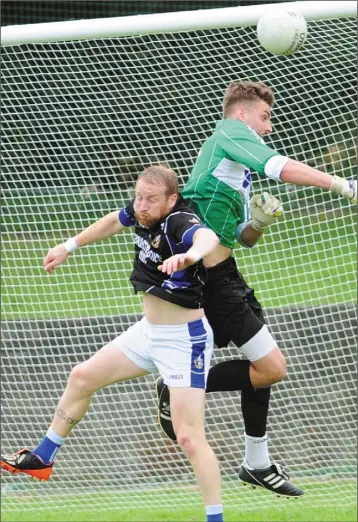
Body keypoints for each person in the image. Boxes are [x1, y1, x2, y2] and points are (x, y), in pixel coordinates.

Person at [155, 81, 357, 498]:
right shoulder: (228, 132)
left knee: (261, 372)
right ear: (242, 114)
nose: (268, 126)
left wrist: (260, 222)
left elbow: (242, 238)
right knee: (271, 368)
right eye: (264, 117)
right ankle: (177, 385)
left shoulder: (234, 167)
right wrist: (343, 185)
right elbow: (278, 166)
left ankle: (257, 463)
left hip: (225, 275)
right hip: (208, 282)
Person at [1, 165, 225, 522]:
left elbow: (207, 238)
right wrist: (68, 245)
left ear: (171, 199)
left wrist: (190, 256)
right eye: (138, 196)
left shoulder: (180, 221)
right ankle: (43, 458)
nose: (141, 205)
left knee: (188, 439)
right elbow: (111, 221)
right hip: (148, 332)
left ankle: (216, 518)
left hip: (185, 342)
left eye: (151, 199)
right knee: (82, 377)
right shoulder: (142, 214)